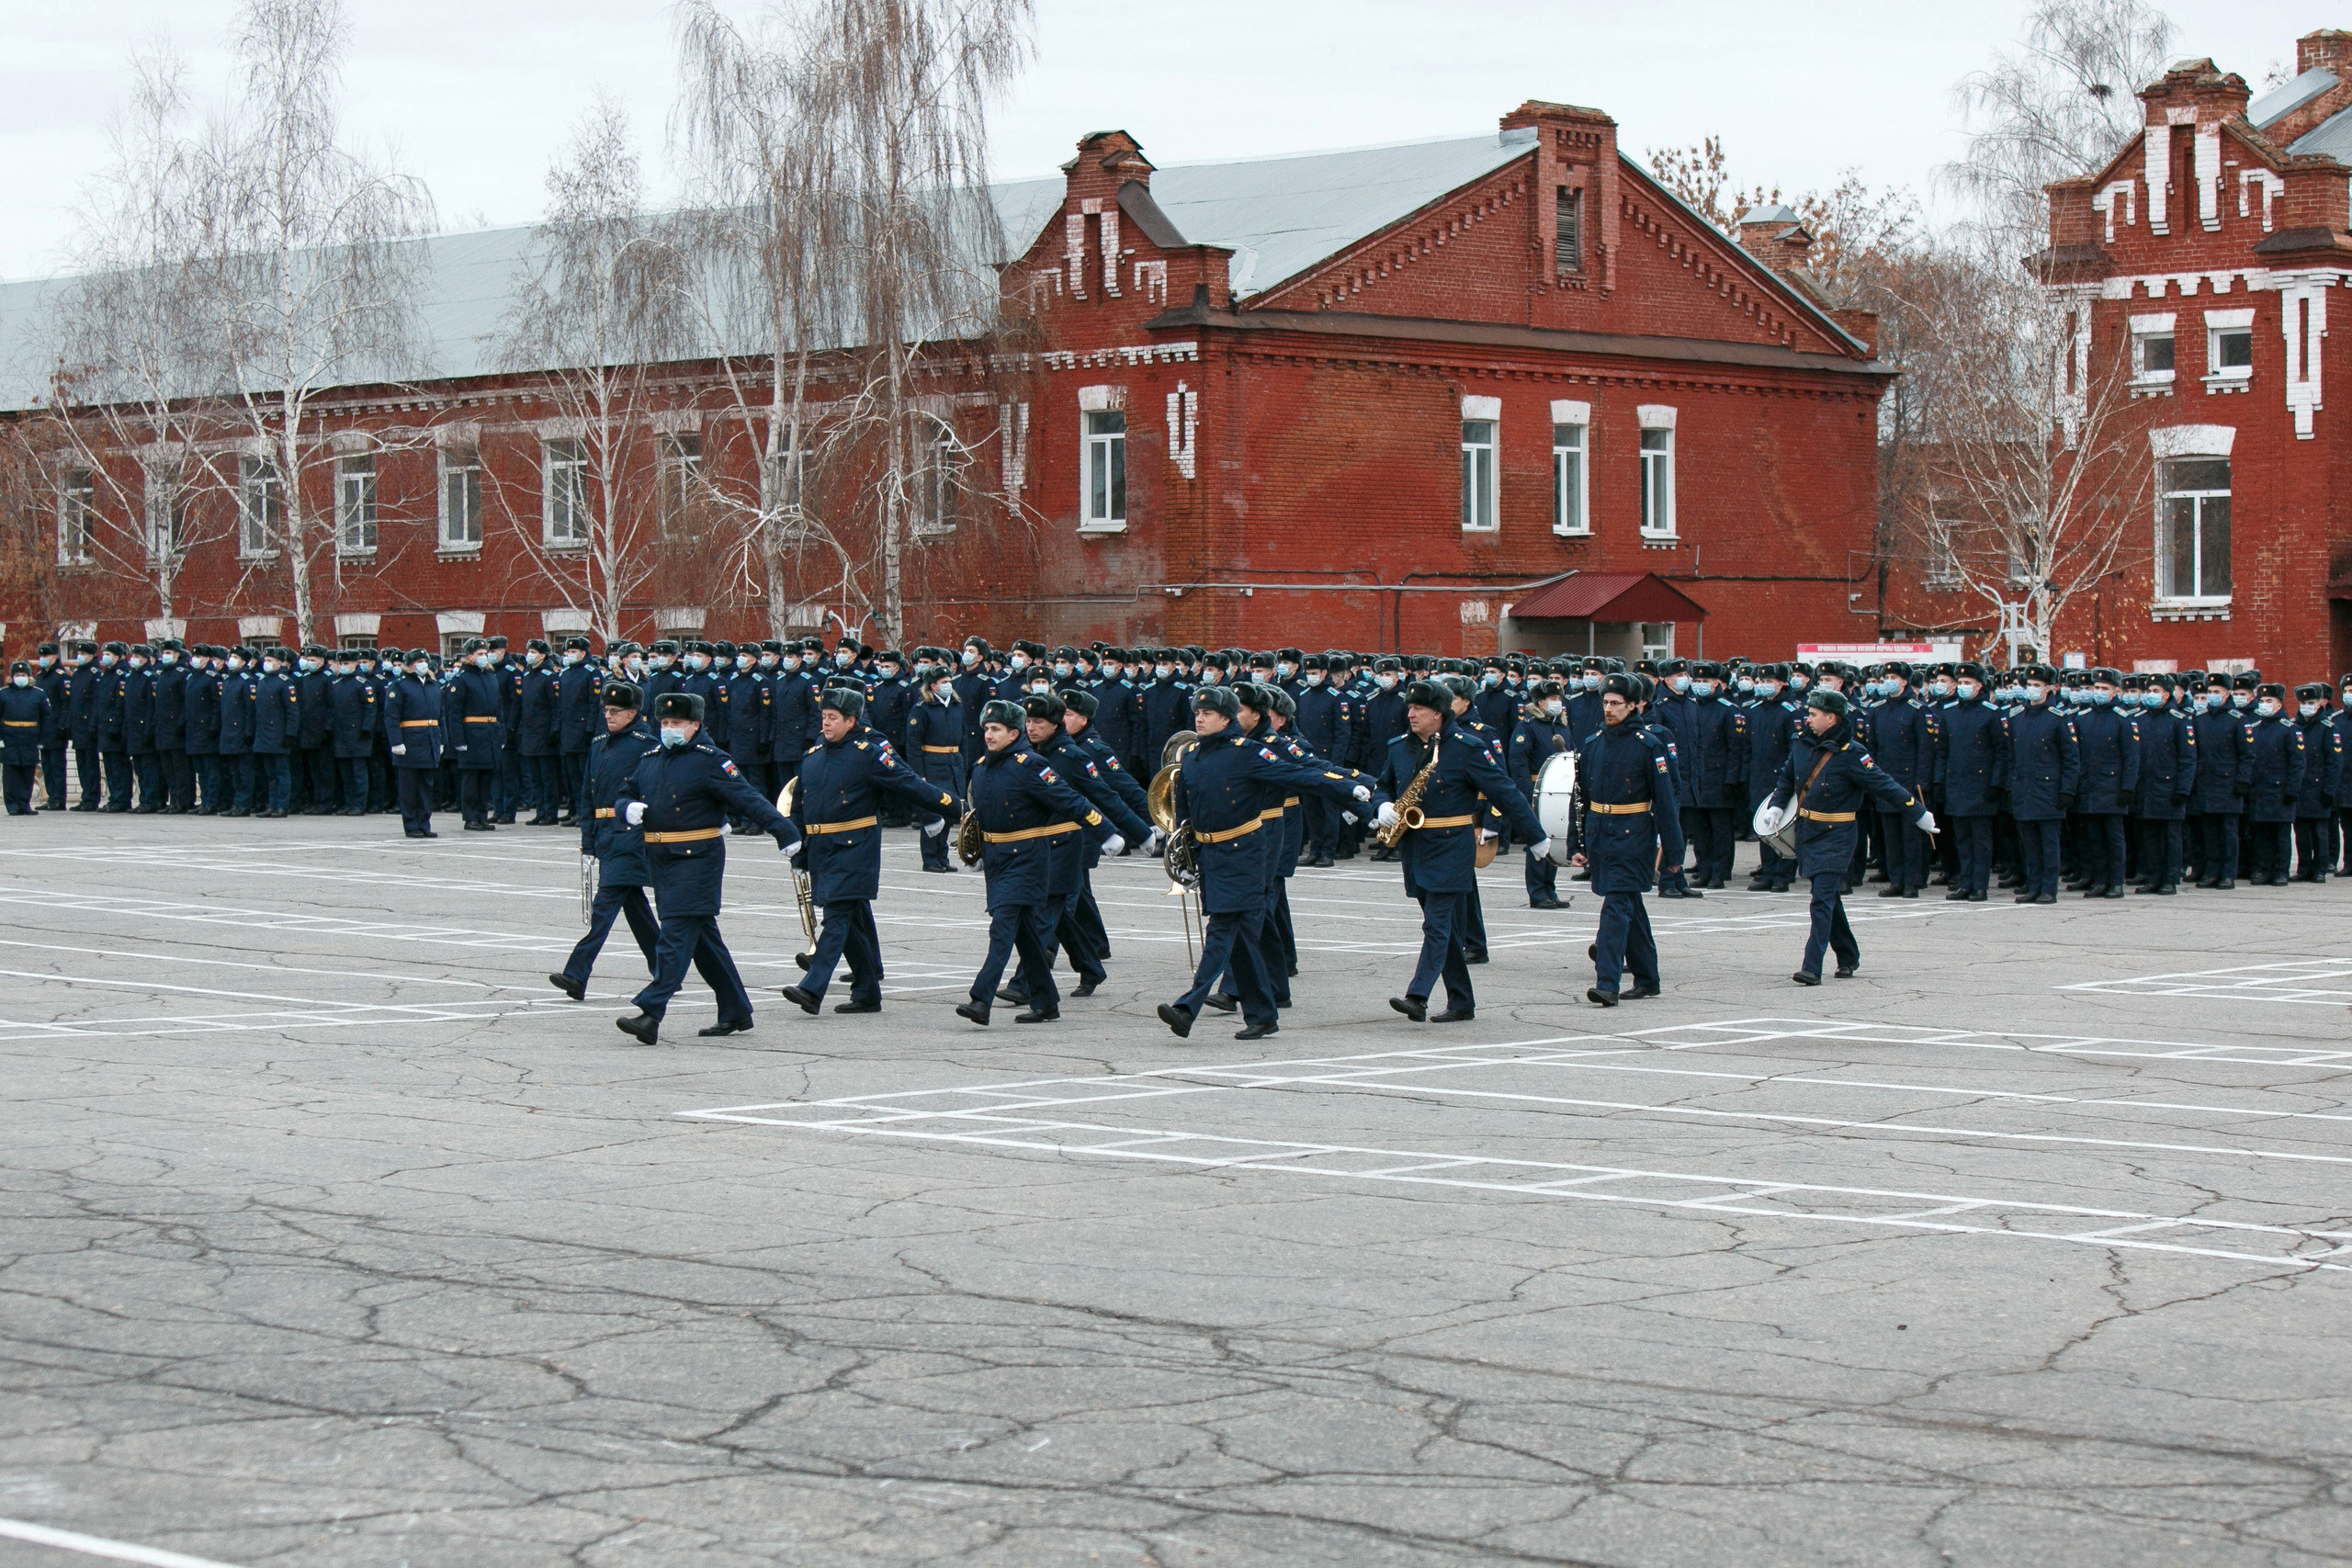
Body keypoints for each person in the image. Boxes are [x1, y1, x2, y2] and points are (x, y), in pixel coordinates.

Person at [1159, 685, 1376, 1042]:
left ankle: (1187, 1008)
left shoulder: (1248, 753)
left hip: (1245, 853)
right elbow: (1186, 814)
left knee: (1222, 930)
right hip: (1211, 855)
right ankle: (1263, 1015)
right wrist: (1185, 857)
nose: (1199, 718)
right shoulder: (1193, 756)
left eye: (1208, 714)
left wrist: (1349, 790)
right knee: (1244, 938)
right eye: (1197, 713)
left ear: (1227, 719)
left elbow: (1300, 774)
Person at [608, 692, 799, 1044]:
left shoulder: (710, 760)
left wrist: (783, 831)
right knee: (704, 942)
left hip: (698, 860)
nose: (668, 729)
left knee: (675, 936)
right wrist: (626, 808)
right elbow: (624, 791)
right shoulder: (651, 758)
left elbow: (748, 797)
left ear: (695, 726)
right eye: (664, 723)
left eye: (676, 724)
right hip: (662, 861)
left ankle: (651, 1012)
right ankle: (735, 1010)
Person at [776, 686, 961, 1016]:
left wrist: (950, 808)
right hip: (821, 849)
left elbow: (909, 784)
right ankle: (867, 992)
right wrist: (800, 852)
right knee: (852, 925)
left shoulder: (868, 753)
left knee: (836, 918)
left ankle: (812, 989)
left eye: (833, 718)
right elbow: (801, 806)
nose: (826, 724)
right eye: (823, 717)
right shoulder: (814, 755)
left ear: (851, 720)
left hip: (854, 847)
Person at [1375, 677, 1541, 1022]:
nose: (1411, 714)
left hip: (1452, 847)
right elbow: (1382, 786)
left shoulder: (1466, 747)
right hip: (1415, 847)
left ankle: (1417, 996)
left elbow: (1506, 792)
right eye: (1410, 707)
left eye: (1419, 708)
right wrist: (1380, 807)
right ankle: (1462, 1001)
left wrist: (1536, 837)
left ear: (1439, 713)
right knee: (1444, 929)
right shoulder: (1398, 747)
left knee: (1436, 925)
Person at [955, 698, 1113, 1025]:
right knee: (1026, 936)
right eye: (986, 728)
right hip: (998, 863)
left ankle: (979, 999)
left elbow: (1070, 800)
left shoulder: (1031, 765)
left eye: (996, 729)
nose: (989, 735)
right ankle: (1046, 1002)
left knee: (1001, 931)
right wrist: (976, 853)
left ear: (1014, 733)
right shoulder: (982, 768)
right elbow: (981, 817)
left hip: (1027, 861)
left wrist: (1106, 832)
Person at [1764, 687, 1935, 985]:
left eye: (1815, 714)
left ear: (1831, 718)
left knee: (1821, 900)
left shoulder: (1852, 754)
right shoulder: (1802, 744)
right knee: (1828, 898)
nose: (1809, 719)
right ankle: (1848, 955)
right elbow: (1787, 778)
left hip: (1837, 833)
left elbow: (1885, 785)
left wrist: (1917, 812)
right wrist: (1777, 807)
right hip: (1808, 831)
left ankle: (1811, 967)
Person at [1564, 673, 1682, 1006]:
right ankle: (1647, 978)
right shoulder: (1593, 743)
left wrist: (1673, 853)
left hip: (1634, 835)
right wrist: (1577, 844)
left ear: (1633, 706)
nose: (1609, 709)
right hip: (1602, 833)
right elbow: (1581, 799)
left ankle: (1607, 982)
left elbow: (1666, 802)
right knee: (1631, 906)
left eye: (1616, 703)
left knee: (1615, 906)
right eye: (1605, 702)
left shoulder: (1648, 744)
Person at [907, 665, 967, 873]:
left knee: (950, 813)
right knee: (933, 813)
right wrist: (919, 774)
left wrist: (963, 766)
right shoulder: (922, 708)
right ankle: (930, 858)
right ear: (933, 686)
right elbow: (913, 744)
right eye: (944, 682)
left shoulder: (957, 705)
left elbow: (964, 738)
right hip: (932, 764)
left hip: (953, 763)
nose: (948, 685)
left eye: (949, 681)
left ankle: (942, 857)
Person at [382, 649, 445, 839]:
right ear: (409, 665)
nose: (422, 664)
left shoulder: (434, 686)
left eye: (424, 660)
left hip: (430, 739)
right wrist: (396, 742)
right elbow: (391, 717)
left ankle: (424, 823)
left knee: (426, 786)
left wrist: (442, 740)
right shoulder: (400, 686)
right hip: (409, 741)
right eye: (418, 661)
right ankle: (411, 825)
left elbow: (441, 715)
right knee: (409, 787)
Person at [0, 660, 51, 815]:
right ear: (11, 677)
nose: (20, 677)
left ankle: (24, 804)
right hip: (10, 737)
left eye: (23, 675)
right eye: (17, 675)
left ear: (29, 677)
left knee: (27, 772)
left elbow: (46, 718)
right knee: (11, 773)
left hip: (30, 738)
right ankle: (12, 805)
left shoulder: (38, 694)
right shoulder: (3, 694)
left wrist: (43, 739)